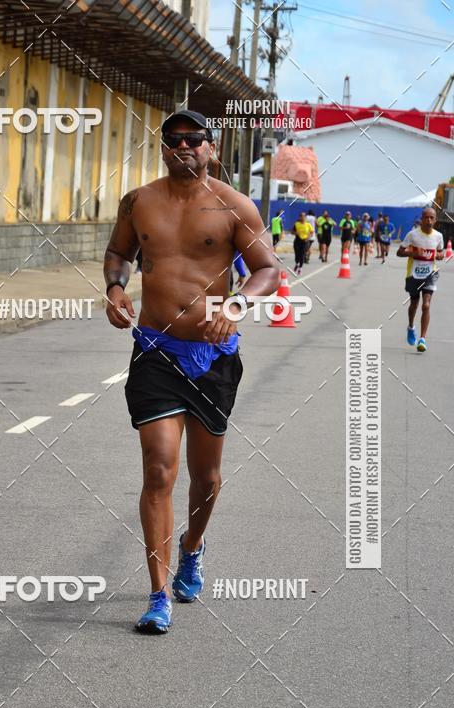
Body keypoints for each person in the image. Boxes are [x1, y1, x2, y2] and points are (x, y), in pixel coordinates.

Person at [103, 109, 280, 634]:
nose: (183, 147)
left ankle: (192, 546)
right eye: (173, 139)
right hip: (155, 349)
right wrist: (115, 289)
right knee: (159, 468)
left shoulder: (233, 205)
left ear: (212, 145)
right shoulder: (139, 201)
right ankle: (157, 595)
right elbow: (119, 253)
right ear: (163, 147)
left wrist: (236, 306)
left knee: (206, 477)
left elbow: (268, 269)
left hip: (212, 358)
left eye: (194, 140)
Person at [397, 206, 444, 352]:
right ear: (422, 219)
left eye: (432, 218)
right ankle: (411, 327)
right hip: (414, 274)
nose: (429, 220)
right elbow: (399, 252)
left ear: (435, 220)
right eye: (426, 217)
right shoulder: (412, 235)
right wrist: (412, 252)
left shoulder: (438, 236)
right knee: (414, 305)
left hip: (430, 273)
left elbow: (441, 252)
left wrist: (439, 256)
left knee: (426, 305)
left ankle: (422, 339)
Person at [292, 211, 314, 275]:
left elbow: (312, 232)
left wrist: (308, 237)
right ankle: (297, 264)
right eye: (301, 216)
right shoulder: (296, 224)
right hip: (297, 241)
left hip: (305, 241)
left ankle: (300, 268)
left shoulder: (308, 225)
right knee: (297, 255)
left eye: (304, 216)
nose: (302, 217)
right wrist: (296, 233)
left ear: (305, 217)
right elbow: (292, 231)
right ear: (299, 217)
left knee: (302, 255)